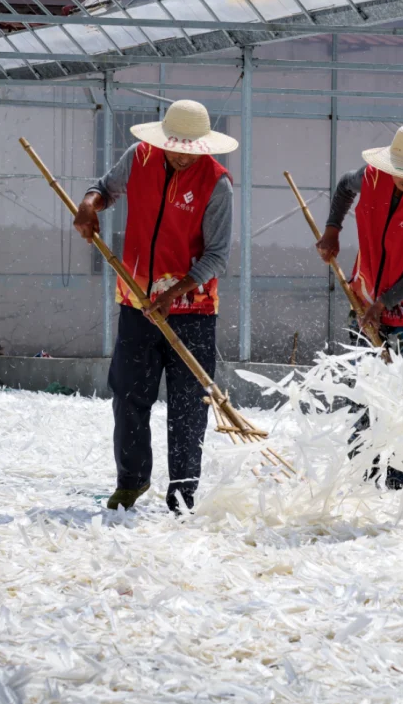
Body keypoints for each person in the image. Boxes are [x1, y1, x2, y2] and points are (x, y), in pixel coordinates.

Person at [73, 100, 237, 514]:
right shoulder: (140, 157)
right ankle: (131, 481)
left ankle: (182, 494)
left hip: (192, 313)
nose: (181, 156)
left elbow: (217, 255)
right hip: (136, 303)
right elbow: (106, 189)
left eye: (189, 149)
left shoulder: (217, 183)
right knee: (128, 396)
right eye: (175, 147)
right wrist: (88, 205)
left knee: (187, 407)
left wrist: (176, 290)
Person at [315, 124, 403, 488]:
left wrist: (386, 302)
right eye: (402, 172)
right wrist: (333, 228)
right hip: (364, 300)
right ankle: (363, 475)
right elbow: (343, 189)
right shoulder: (369, 177)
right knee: (362, 392)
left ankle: (400, 481)